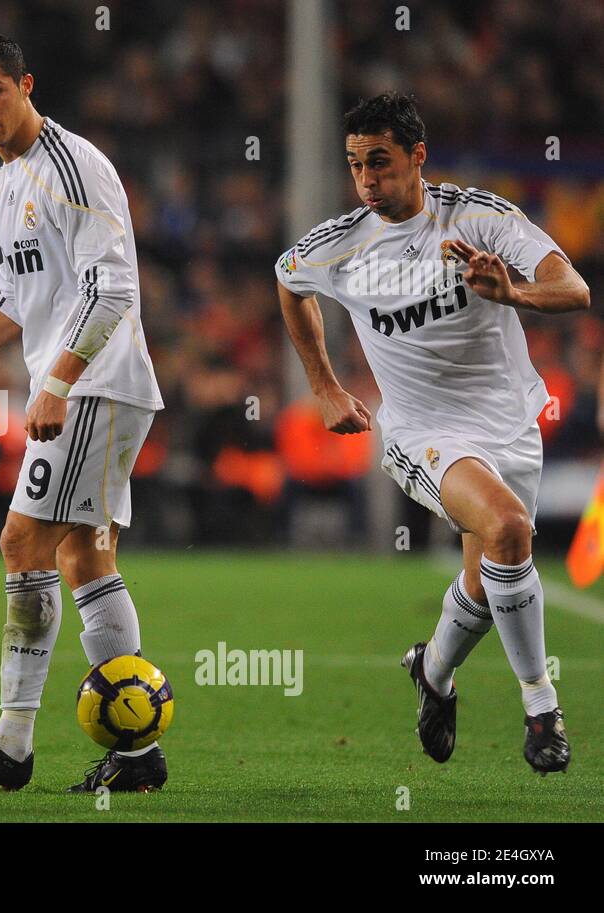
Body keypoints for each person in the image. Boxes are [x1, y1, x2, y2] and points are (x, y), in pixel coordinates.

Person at [275, 93, 590, 774]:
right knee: (508, 529)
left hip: (509, 425)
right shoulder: (340, 245)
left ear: (418, 157)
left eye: (380, 163)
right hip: (421, 431)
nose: (366, 180)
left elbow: (573, 289)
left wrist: (513, 295)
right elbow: (288, 283)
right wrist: (324, 385)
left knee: (487, 578)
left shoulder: (482, 218)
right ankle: (541, 708)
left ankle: (433, 671)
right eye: (356, 164)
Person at [0, 30, 165, 792]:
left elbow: (113, 287)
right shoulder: (2, 185)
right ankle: (137, 754)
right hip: (92, 385)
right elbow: (17, 294)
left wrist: (57, 381)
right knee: (84, 556)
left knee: (21, 539)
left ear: (26, 85)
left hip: (95, 383)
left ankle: (13, 745)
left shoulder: (72, 166)